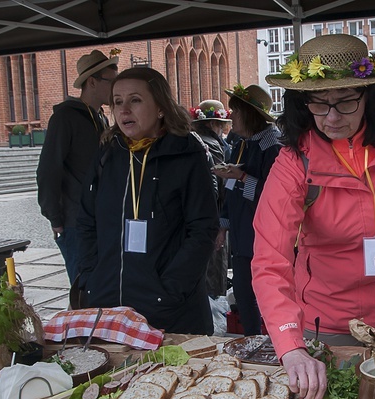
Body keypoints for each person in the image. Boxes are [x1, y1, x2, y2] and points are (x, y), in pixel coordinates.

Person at [252, 34, 375, 399]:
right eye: (319, 105)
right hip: (327, 320)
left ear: (369, 96)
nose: (331, 117)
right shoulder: (295, 162)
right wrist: (291, 345)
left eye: (345, 102)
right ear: (302, 103)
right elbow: (270, 259)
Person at [77, 67, 218, 334]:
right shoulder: (107, 154)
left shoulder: (187, 153)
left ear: (161, 107)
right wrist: (90, 277)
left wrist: (170, 290)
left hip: (168, 310)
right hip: (109, 305)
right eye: (117, 101)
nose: (124, 109)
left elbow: (203, 230)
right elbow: (86, 221)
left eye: (135, 100)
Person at [36, 49, 119, 284]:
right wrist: (55, 217)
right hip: (75, 220)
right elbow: (48, 169)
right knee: (84, 286)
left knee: (102, 284)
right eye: (111, 81)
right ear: (91, 82)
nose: (116, 88)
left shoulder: (100, 117)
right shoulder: (65, 117)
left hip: (100, 217)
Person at [213, 85, 281, 336]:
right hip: (243, 233)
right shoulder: (245, 142)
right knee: (243, 292)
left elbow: (274, 195)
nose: (231, 117)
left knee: (264, 293)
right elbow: (234, 191)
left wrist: (241, 176)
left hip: (262, 235)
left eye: (235, 112)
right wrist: (223, 225)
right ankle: (252, 341)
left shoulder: (271, 145)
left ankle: (269, 342)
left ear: (250, 115)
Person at [190, 99, 232, 299]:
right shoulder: (212, 144)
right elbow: (220, 184)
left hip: (193, 217)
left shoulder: (191, 140)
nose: (223, 130)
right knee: (213, 275)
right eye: (221, 125)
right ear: (212, 124)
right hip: (212, 217)